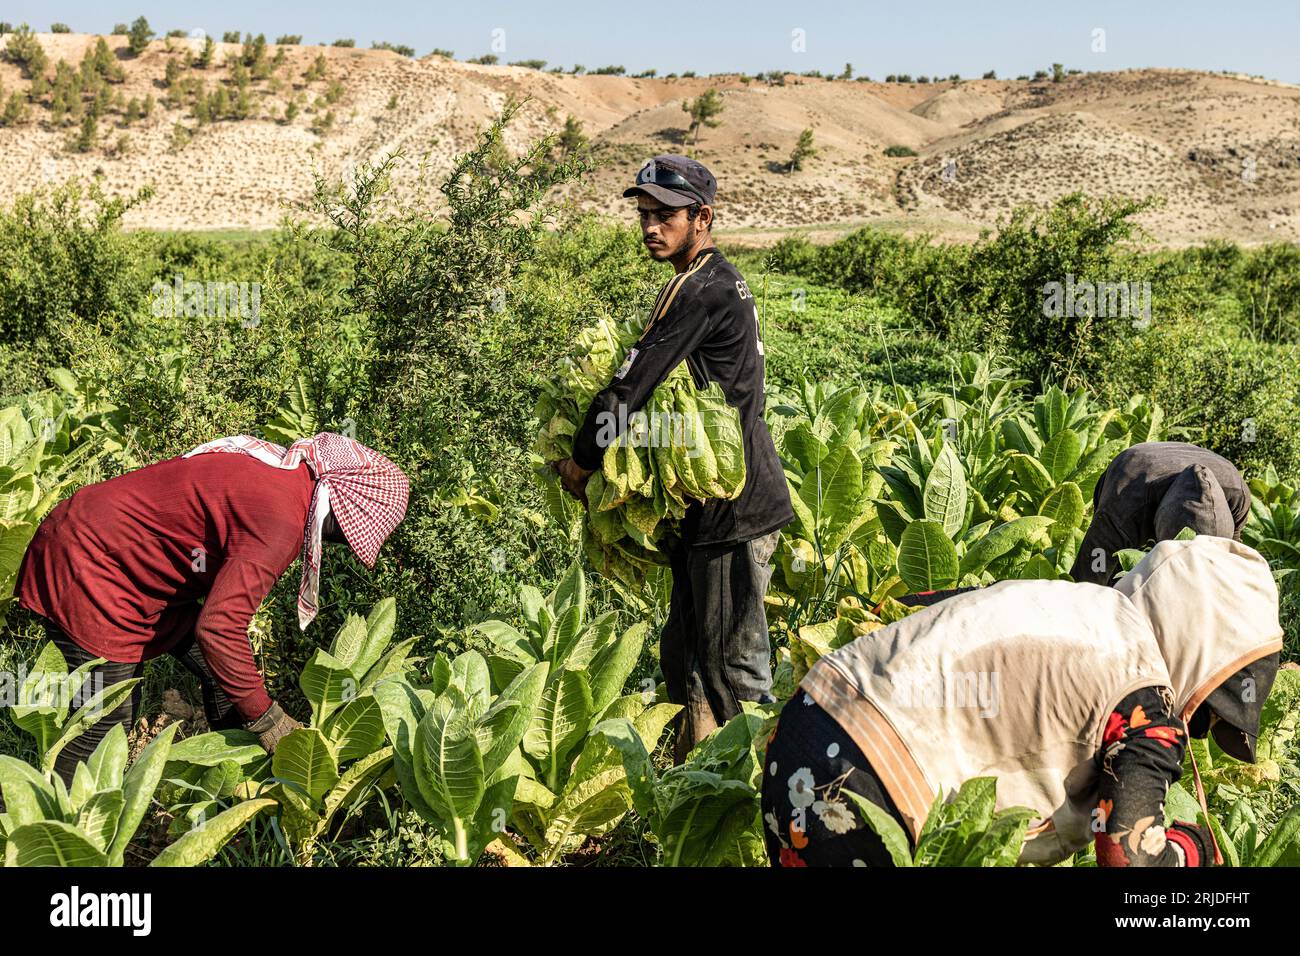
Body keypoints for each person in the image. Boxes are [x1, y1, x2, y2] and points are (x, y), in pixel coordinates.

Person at [761, 536, 1282, 867]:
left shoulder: (1069, 603)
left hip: (802, 733)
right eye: (1208, 711)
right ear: (1204, 655)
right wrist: (1192, 850)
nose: (1193, 728)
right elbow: (1129, 862)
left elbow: (925, 608)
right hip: (868, 787)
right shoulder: (1145, 699)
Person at [552, 155, 794, 761]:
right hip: (711, 507)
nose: (650, 228)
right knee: (687, 653)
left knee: (732, 668)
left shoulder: (700, 290)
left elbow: (627, 391)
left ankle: (751, 805)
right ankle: (694, 784)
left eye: (665, 216)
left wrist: (582, 463)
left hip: (732, 508)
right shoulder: (713, 279)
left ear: (702, 218)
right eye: (644, 215)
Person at [14, 432, 409, 784]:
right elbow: (218, 629)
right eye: (345, 536)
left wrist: (253, 707)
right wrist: (268, 719)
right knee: (103, 727)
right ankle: (36, 826)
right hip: (90, 569)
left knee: (225, 675)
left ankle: (229, 776)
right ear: (337, 513)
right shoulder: (281, 520)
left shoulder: (286, 476)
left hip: (124, 563)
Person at [1070, 441, 1250, 584]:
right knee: (1108, 574)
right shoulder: (1121, 507)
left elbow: (1234, 559)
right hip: (1134, 466)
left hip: (1216, 467)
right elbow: (1090, 578)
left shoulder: (1237, 494)